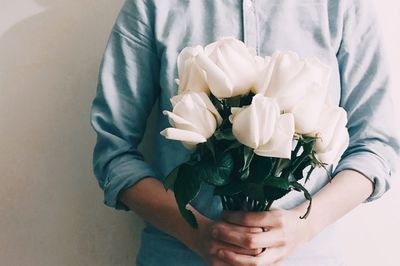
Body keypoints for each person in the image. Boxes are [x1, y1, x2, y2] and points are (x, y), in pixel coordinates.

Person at [89, 0, 399, 265]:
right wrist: (195, 232)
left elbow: (375, 147)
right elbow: (114, 153)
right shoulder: (154, 5)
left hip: (309, 256)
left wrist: (304, 225)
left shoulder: (342, 6)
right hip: (179, 256)